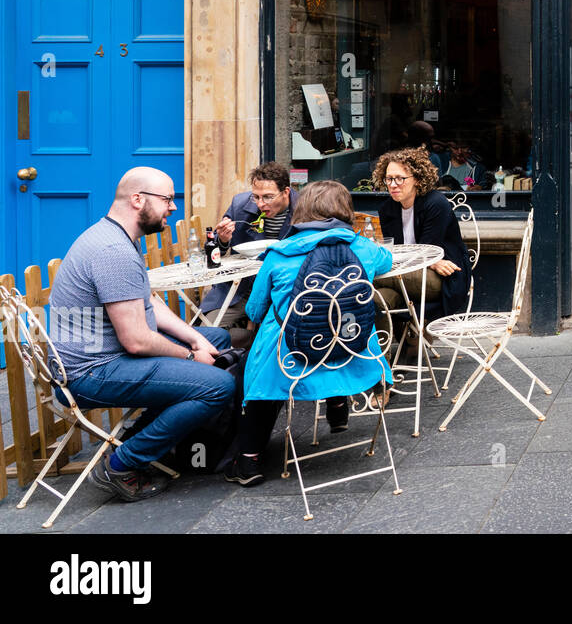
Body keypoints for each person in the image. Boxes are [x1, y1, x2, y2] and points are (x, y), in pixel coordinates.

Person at [49, 167, 235, 502]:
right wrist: (193, 357)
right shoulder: (113, 252)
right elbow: (136, 340)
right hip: (92, 372)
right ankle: (121, 463)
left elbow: (148, 300)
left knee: (217, 340)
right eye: (167, 199)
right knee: (218, 386)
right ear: (138, 200)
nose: (173, 207)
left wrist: (195, 340)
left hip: (107, 357)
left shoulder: (118, 236)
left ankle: (138, 437)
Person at [224, 181, 393, 487]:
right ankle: (338, 405)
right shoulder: (363, 248)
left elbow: (254, 311)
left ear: (301, 211)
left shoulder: (278, 255)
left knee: (258, 365)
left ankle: (248, 461)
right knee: (338, 323)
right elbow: (387, 261)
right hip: (353, 354)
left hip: (290, 361)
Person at [373, 147, 471, 318]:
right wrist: (429, 260)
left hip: (442, 277)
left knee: (366, 277)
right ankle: (406, 340)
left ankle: (359, 277)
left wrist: (431, 262)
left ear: (417, 179)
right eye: (388, 179)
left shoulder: (436, 204)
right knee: (377, 299)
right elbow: (397, 251)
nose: (393, 184)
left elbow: (427, 251)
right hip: (406, 271)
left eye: (400, 179)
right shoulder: (387, 209)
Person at [203, 162, 299, 329]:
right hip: (244, 289)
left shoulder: (304, 209)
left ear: (286, 192)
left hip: (287, 290)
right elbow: (214, 249)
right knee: (207, 329)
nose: (260, 204)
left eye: (268, 197)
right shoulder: (240, 205)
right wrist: (223, 240)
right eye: (256, 197)